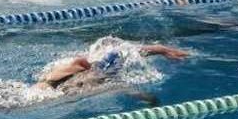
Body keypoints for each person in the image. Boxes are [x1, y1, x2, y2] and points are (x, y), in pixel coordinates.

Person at [34, 39, 189, 92]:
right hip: (100, 75)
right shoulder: (58, 88)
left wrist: (91, 69)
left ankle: (163, 49)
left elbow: (79, 61)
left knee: (126, 53)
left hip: (100, 68)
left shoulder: (52, 77)